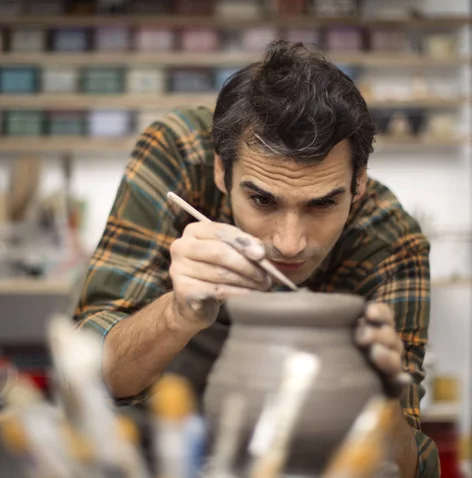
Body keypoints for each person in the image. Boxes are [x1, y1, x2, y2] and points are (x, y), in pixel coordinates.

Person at [73, 40, 438, 477]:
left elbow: (413, 466)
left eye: (321, 204)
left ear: (358, 183)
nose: (288, 243)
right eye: (262, 200)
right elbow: (91, 372)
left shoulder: (391, 240)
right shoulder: (176, 153)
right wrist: (176, 313)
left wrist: (382, 399)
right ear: (220, 171)